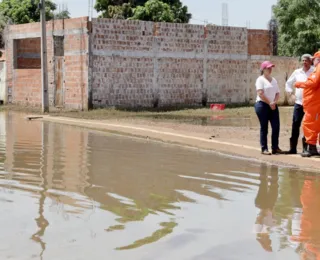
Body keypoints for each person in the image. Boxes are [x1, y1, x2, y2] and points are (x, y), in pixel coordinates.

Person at [285, 54, 314, 154]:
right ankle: (293, 149)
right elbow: (288, 83)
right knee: (295, 124)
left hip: (310, 103)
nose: (304, 62)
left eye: (307, 60)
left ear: (311, 61)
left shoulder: (314, 71)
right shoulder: (297, 72)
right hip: (298, 103)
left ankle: (306, 149)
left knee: (307, 126)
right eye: (303, 60)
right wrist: (291, 94)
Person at [295, 51, 320, 157]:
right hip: (314, 103)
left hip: (314, 104)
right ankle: (312, 148)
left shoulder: (318, 68)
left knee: (309, 124)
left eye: (313, 59)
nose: (312, 61)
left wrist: (299, 84)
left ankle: (312, 148)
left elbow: (313, 83)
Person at [255, 61, 283, 155]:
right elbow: (260, 93)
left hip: (273, 105)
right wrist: (269, 102)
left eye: (271, 68)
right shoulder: (260, 80)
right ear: (263, 69)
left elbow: (278, 93)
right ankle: (264, 148)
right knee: (264, 127)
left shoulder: (273, 80)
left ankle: (275, 147)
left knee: (276, 126)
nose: (270, 69)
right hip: (262, 105)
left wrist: (274, 102)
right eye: (268, 68)